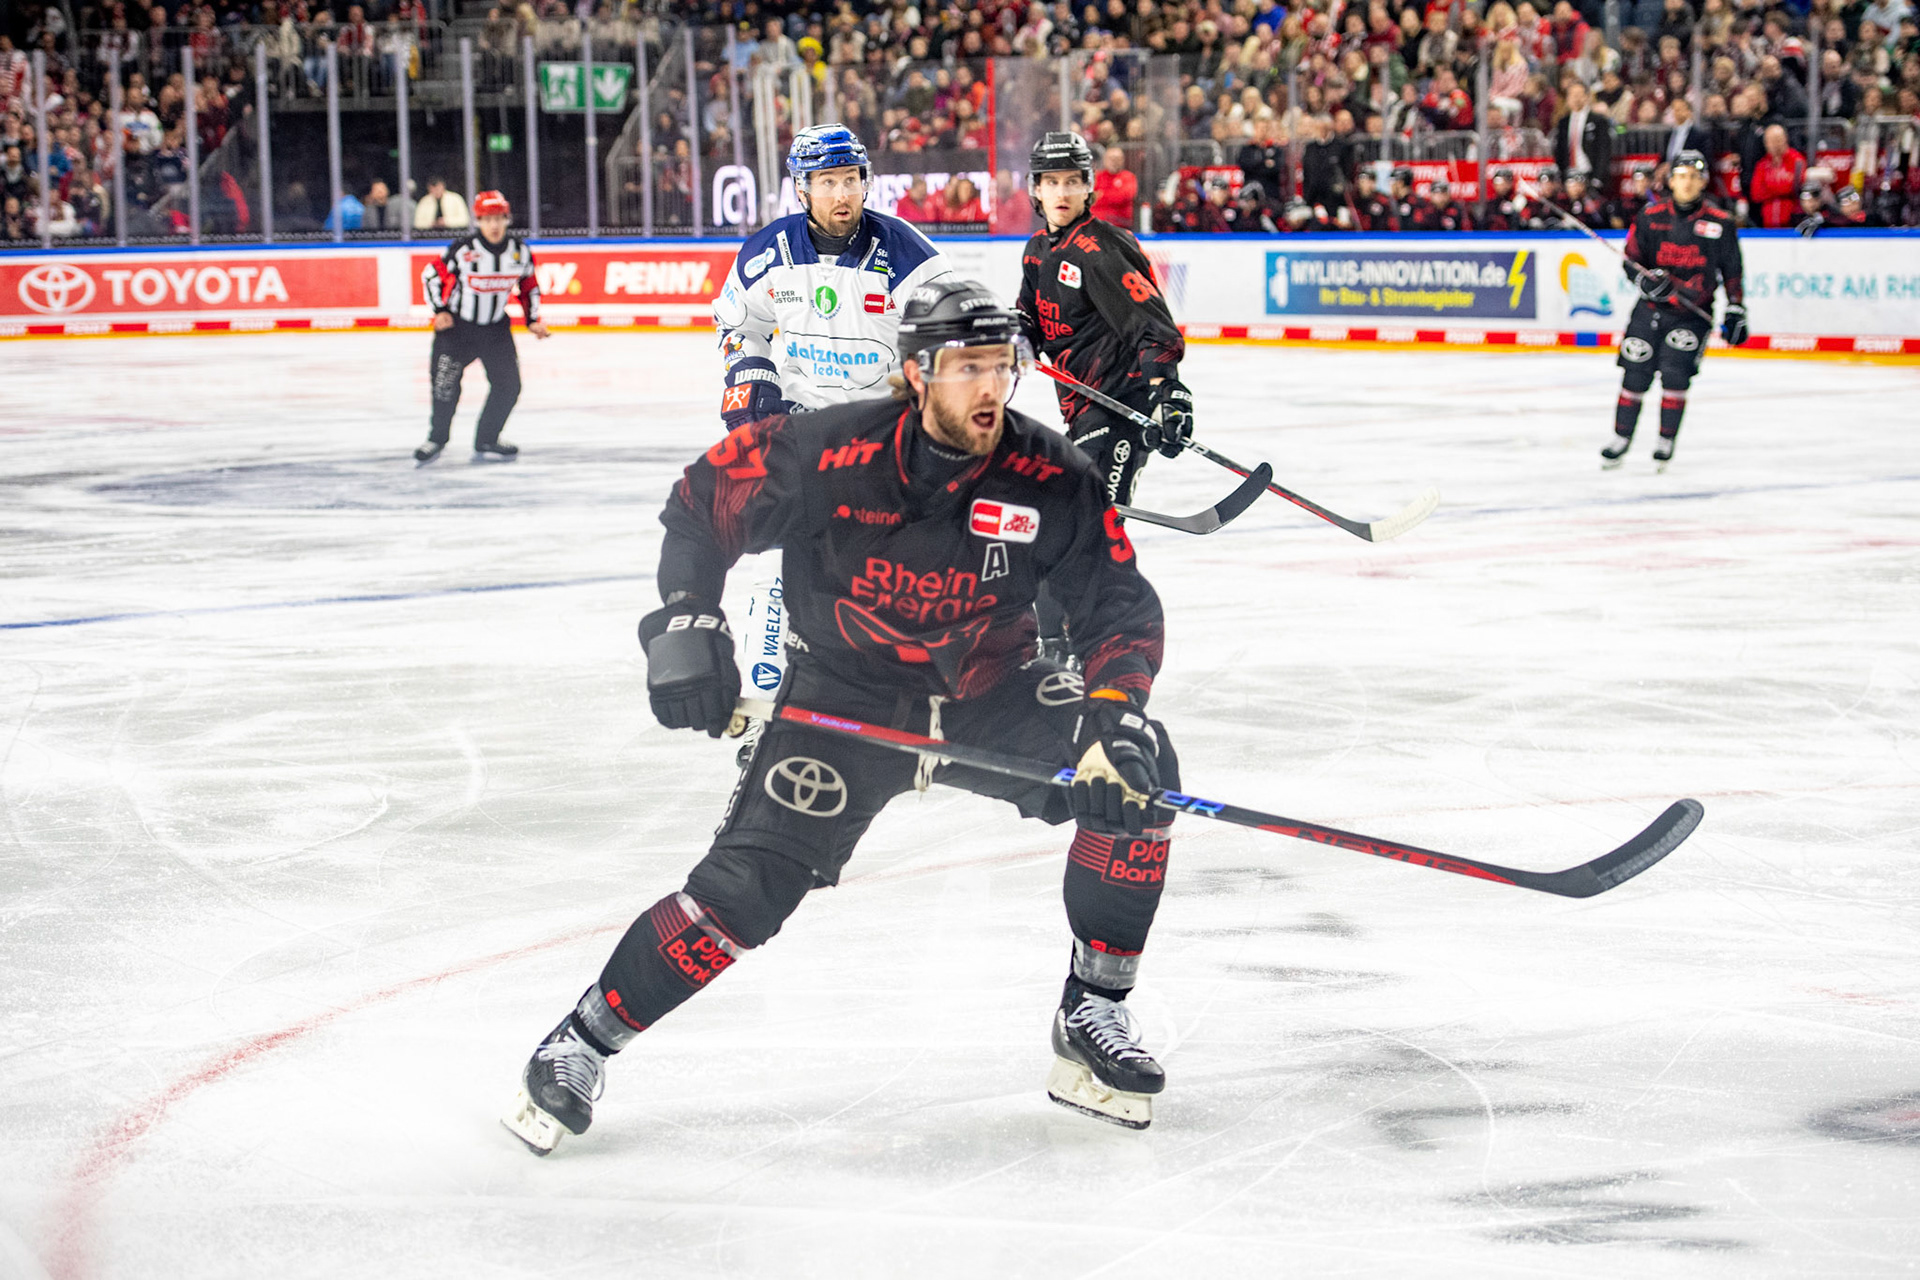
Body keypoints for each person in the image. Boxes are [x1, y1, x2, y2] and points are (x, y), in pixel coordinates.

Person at [501, 279, 1182, 1154]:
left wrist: (1114, 716)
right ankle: (580, 1043)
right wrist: (685, 616)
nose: (988, 388)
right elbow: (701, 507)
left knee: (1141, 781)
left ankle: (1093, 1011)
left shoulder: (1050, 476)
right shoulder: (827, 450)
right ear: (914, 372)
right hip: (843, 699)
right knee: (744, 893)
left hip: (994, 691)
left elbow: (1118, 610)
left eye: (1000, 366)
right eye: (965, 366)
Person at [1017, 131, 1190, 667]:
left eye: (1072, 180)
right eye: (1051, 182)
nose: (1062, 191)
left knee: (1083, 531)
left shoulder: (1102, 247)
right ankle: (1054, 648)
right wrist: (1019, 338)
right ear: (1036, 190)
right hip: (1079, 412)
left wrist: (1169, 394)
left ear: (1089, 186)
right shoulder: (1038, 250)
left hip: (1119, 410)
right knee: (1055, 527)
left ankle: (1092, 644)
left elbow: (1152, 325)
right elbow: (1029, 316)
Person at [711, 124, 953, 432]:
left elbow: (949, 336)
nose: (842, 196)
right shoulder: (768, 251)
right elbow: (739, 324)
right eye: (828, 182)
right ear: (802, 190)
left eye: (851, 180)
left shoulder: (908, 252)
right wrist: (750, 373)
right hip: (801, 423)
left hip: (888, 426)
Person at [1601, 151, 1747, 473]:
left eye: (1694, 176)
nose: (1687, 182)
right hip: (1649, 310)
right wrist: (1645, 281)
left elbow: (1732, 270)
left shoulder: (1720, 223)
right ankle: (1620, 437)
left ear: (1704, 181)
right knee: (1634, 374)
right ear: (1670, 180)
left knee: (1675, 376)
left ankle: (1665, 440)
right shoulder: (1650, 216)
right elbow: (1632, 260)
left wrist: (1736, 306)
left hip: (1692, 315)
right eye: (1681, 175)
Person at [414, 190, 550, 464]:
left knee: (509, 386)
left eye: (499, 218)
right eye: (488, 219)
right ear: (478, 221)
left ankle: (487, 437)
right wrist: (440, 310)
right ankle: (437, 439)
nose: (494, 225)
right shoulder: (464, 249)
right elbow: (431, 275)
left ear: (507, 219)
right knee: (445, 385)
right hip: (457, 331)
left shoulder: (519, 251)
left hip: (495, 331)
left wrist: (532, 319)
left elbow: (528, 286)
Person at [1091, 144, 1138, 226]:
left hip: (1120, 224)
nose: (1114, 162)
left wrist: (1101, 195)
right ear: (1105, 160)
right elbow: (1089, 199)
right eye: (1111, 159)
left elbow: (1123, 196)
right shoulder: (1096, 176)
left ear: (1123, 160)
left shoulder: (1129, 177)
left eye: (1117, 159)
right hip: (1096, 224)